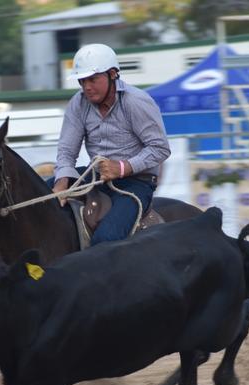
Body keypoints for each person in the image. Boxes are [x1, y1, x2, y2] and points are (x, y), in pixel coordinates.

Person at [52, 43, 170, 246]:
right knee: (35, 194)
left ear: (113, 74)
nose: (87, 87)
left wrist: (122, 167)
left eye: (93, 79)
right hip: (96, 176)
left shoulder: (136, 101)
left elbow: (160, 148)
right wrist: (61, 181)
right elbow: (66, 150)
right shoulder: (78, 103)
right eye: (82, 80)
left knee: (106, 239)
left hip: (137, 182)